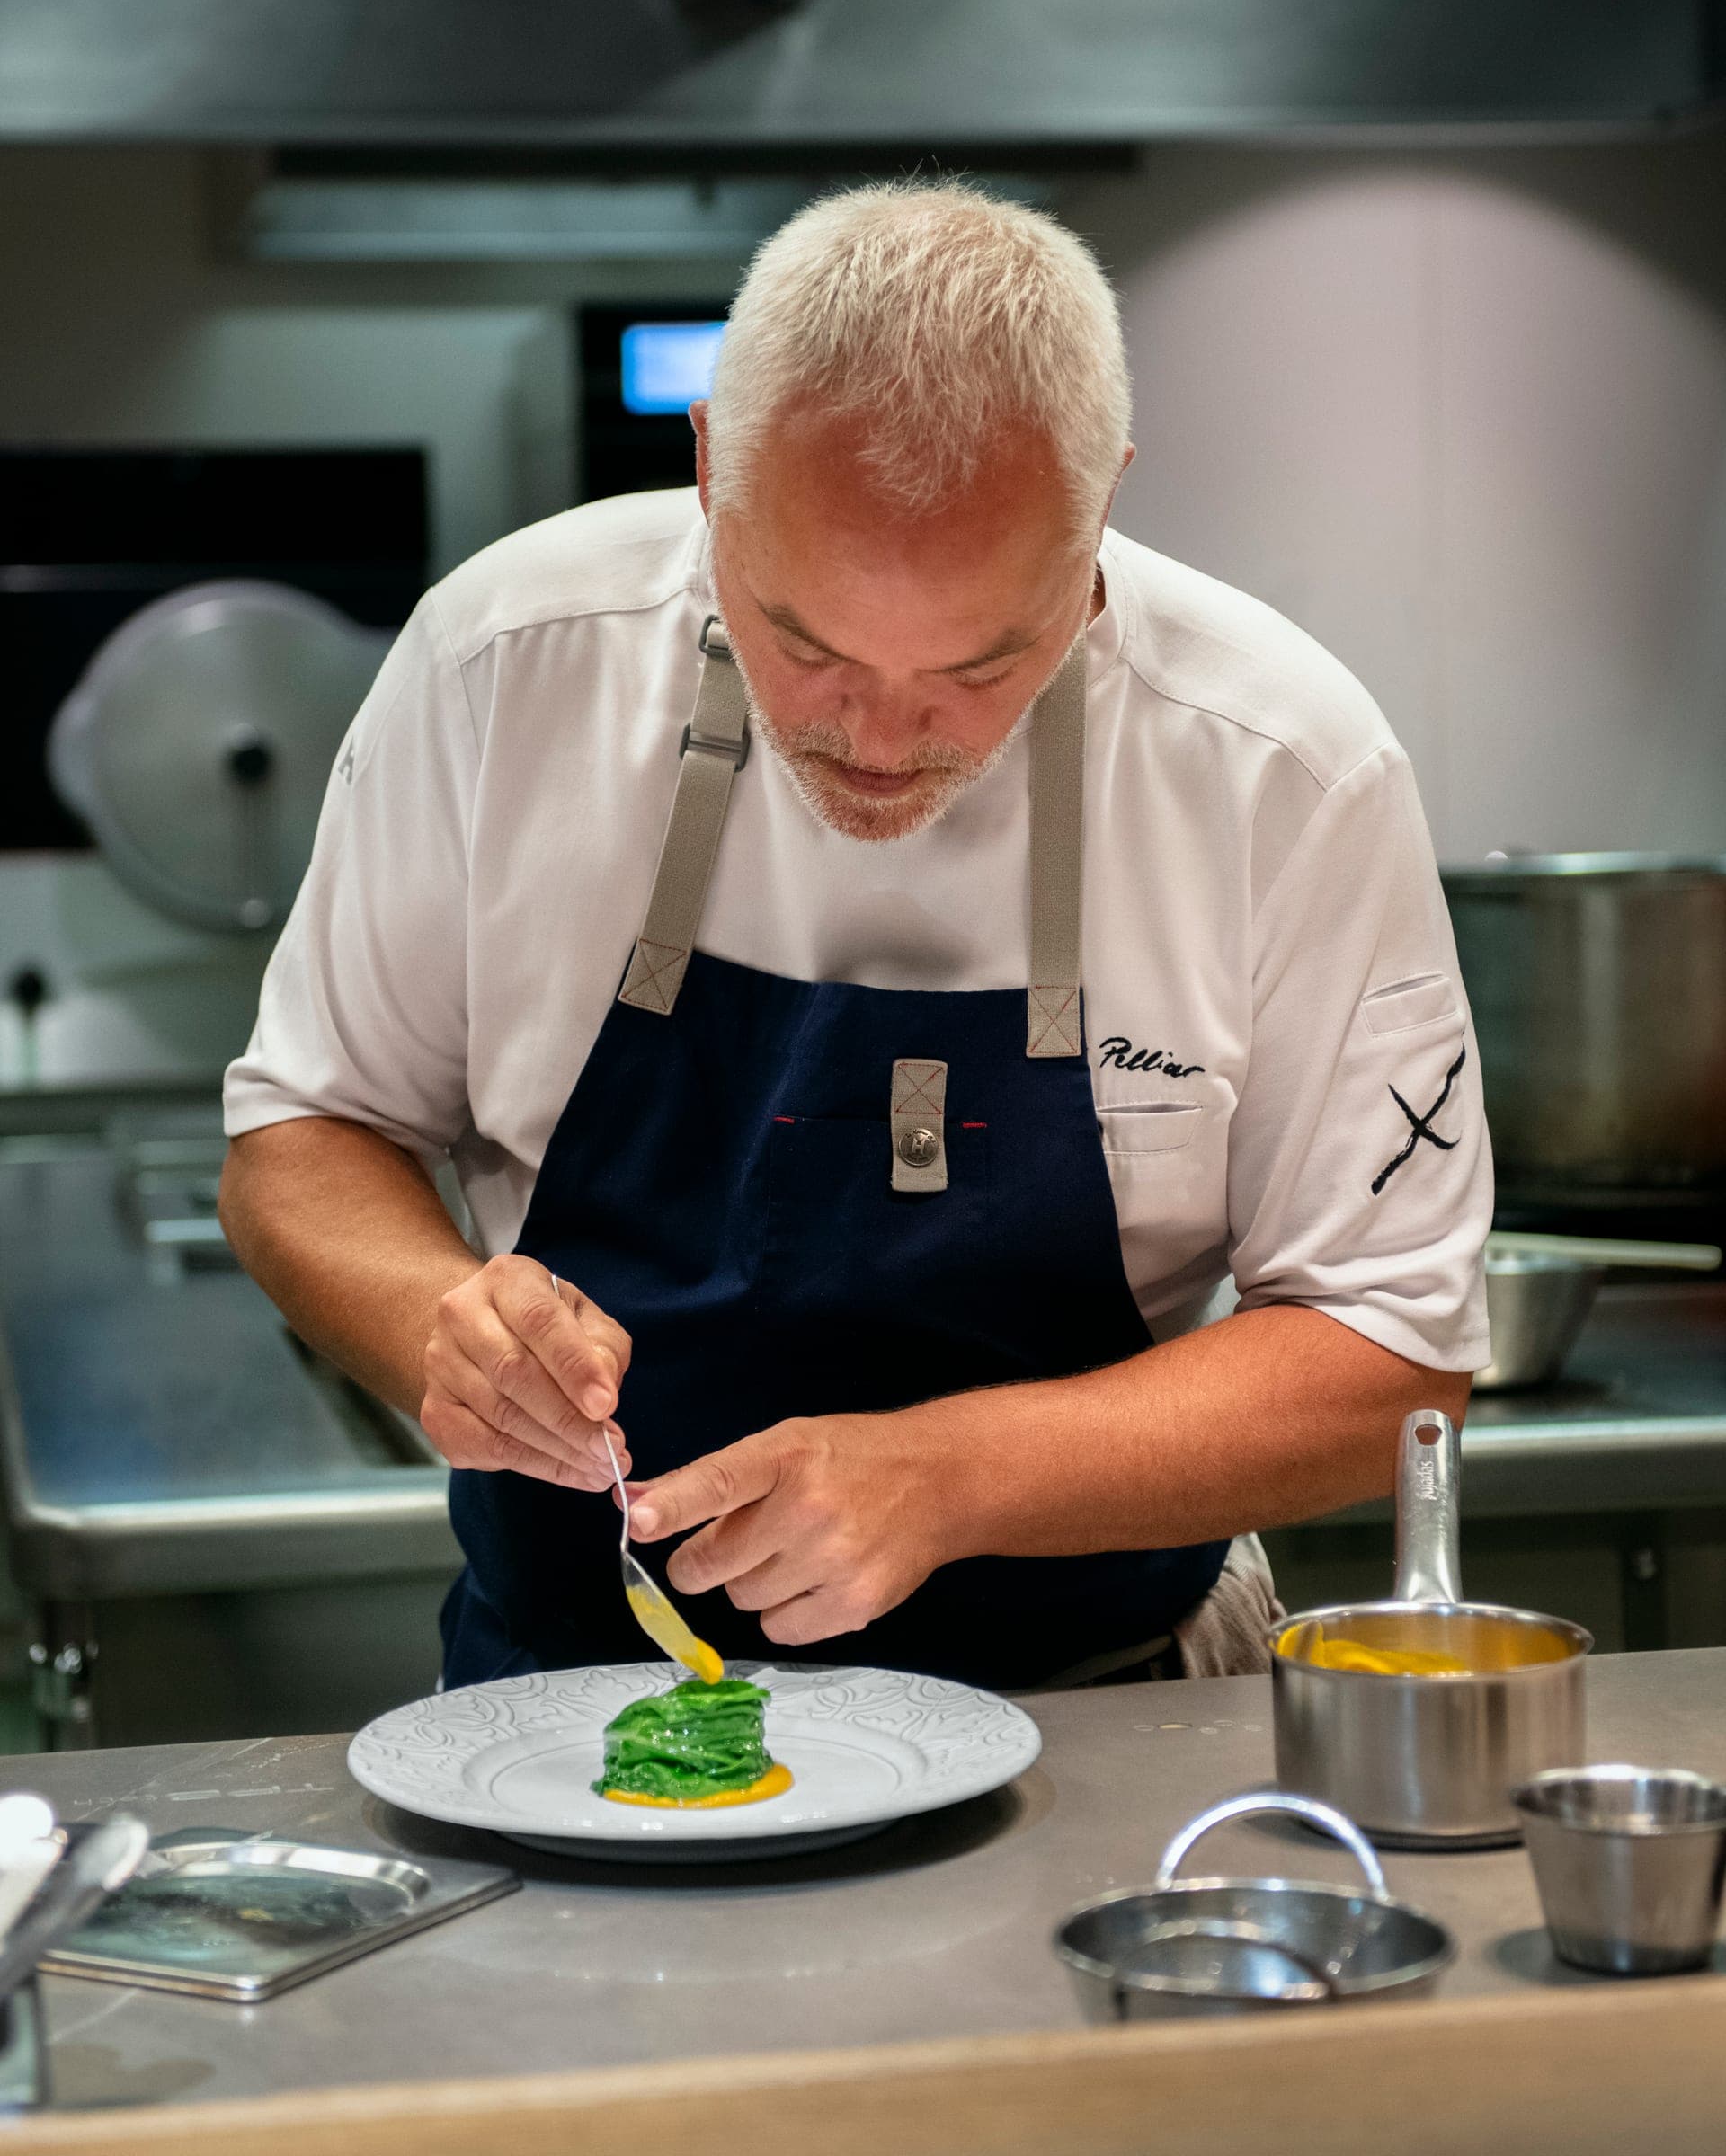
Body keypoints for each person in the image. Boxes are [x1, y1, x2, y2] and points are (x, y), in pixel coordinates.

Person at [219, 181, 1489, 1693]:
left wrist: (951, 1476)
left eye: (986, 659)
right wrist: (438, 1322)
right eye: (804, 642)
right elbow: (307, 1129)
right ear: (707, 472)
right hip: (570, 1722)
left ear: (1105, 506)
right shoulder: (504, 670)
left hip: (1113, 1711)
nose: (883, 738)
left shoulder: (1280, 764)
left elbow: (1391, 1361)